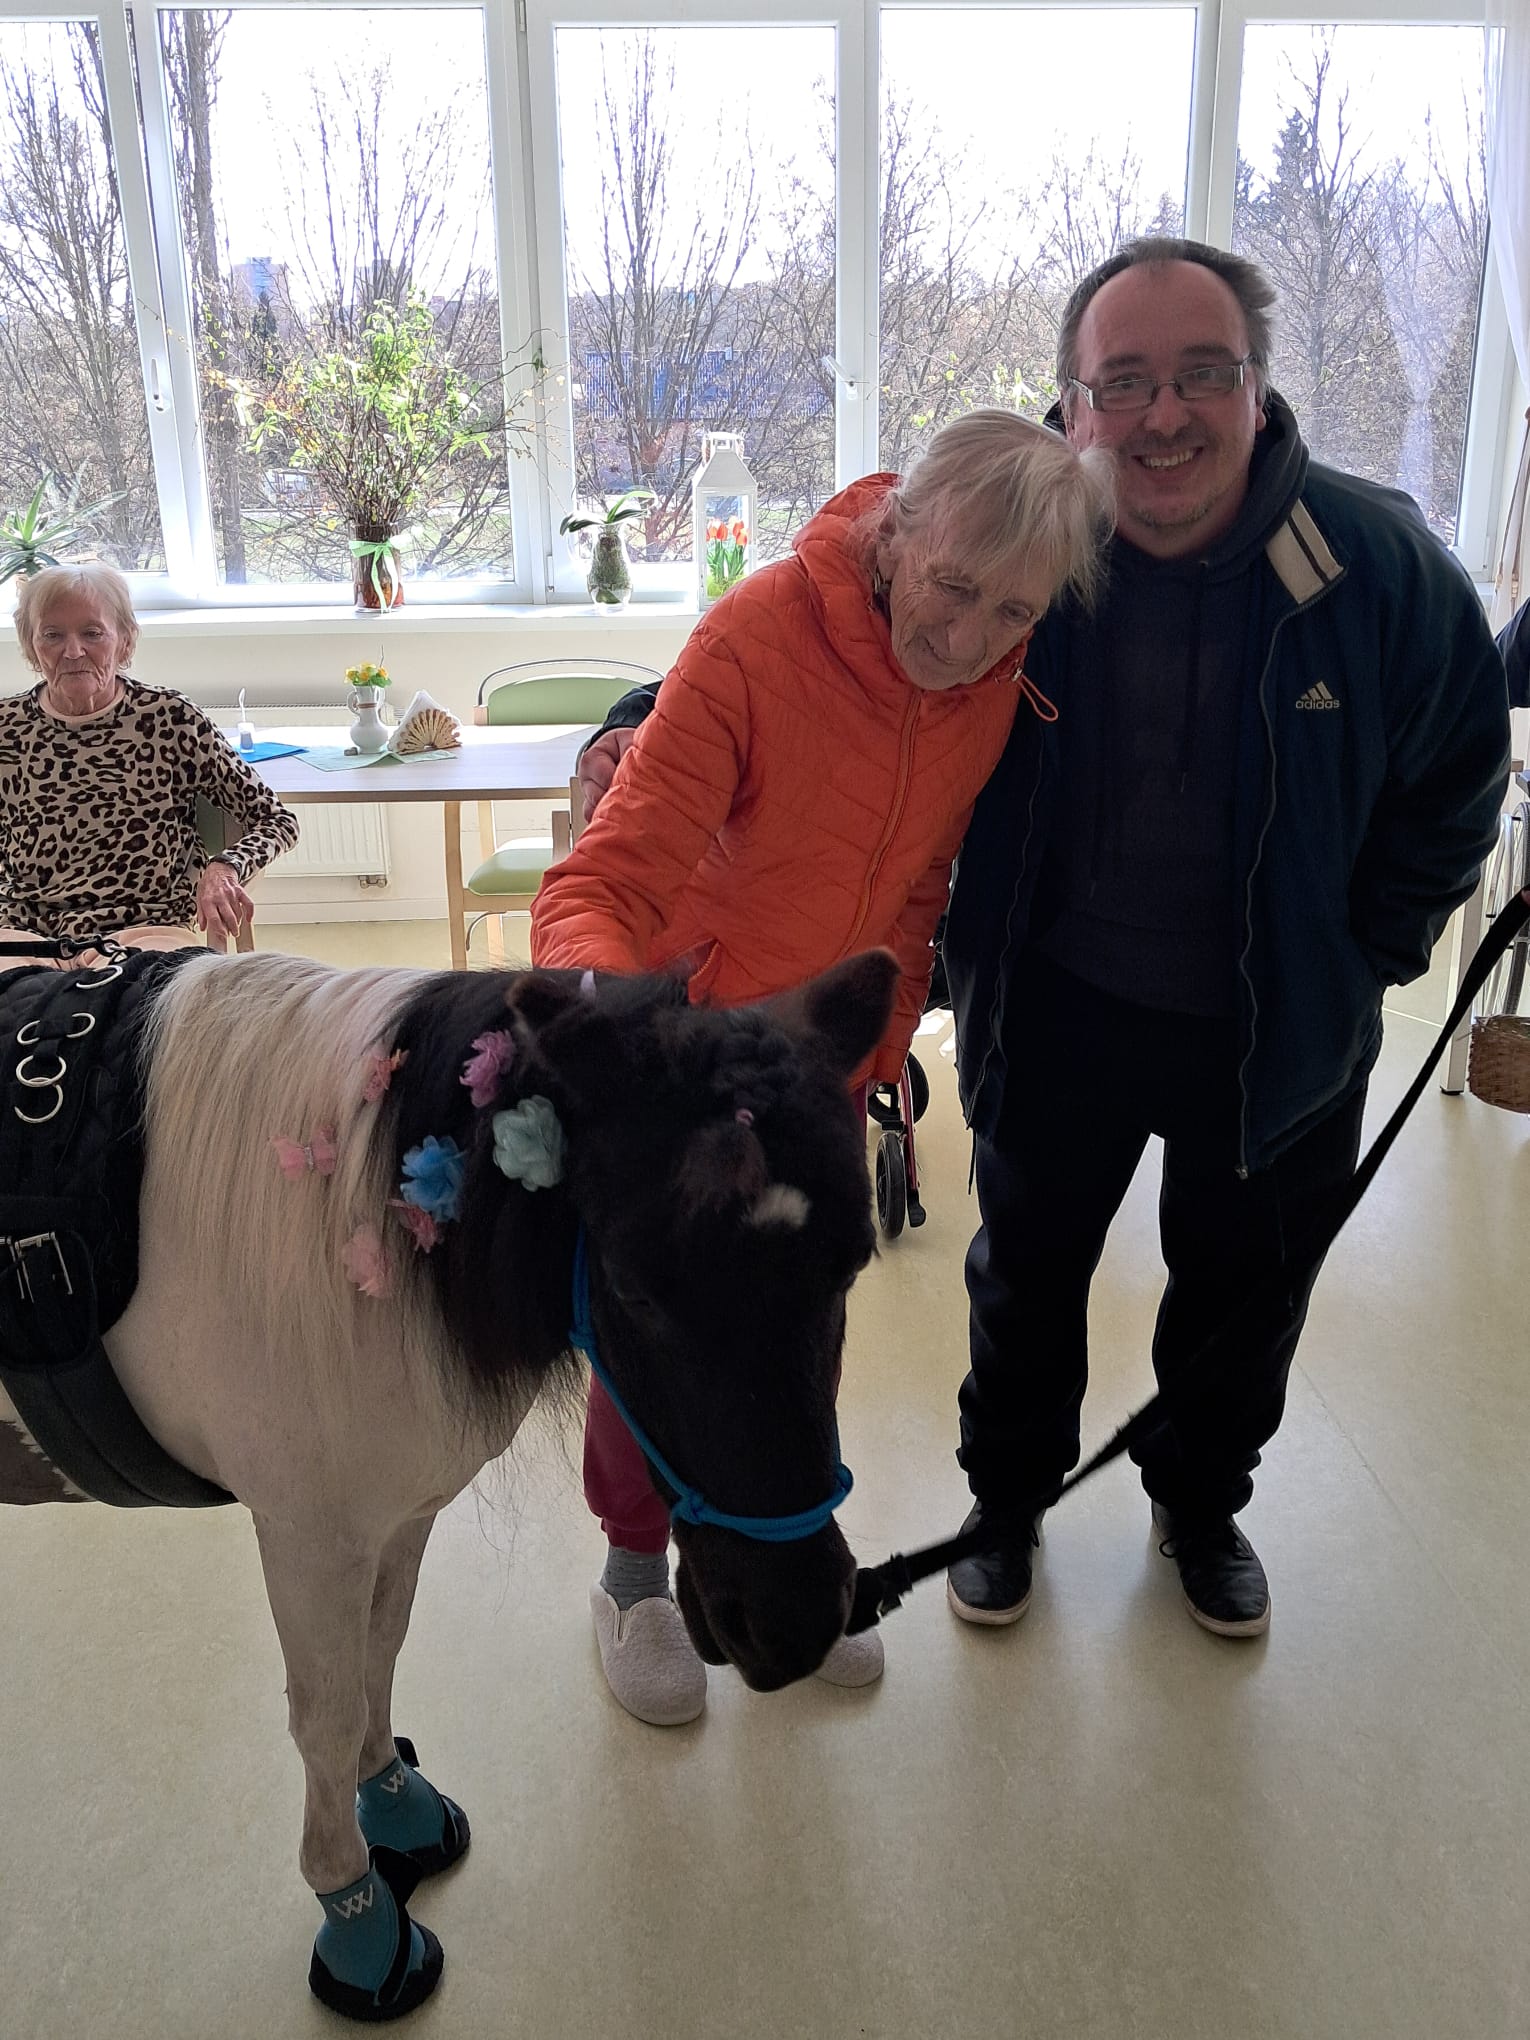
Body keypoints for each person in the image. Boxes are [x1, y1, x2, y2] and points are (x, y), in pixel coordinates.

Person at [940, 238, 1511, 1640]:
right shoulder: (1014, 539)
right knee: (1025, 1279)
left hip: (1276, 1027)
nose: (1163, 415)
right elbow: (826, 629)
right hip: (1056, 1004)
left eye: (1203, 374)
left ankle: (1199, 1505)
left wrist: (1365, 950)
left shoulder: (1379, 568)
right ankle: (1004, 1500)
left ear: (1258, 389)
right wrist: (639, 726)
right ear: (1071, 405)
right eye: (1123, 381)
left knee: (1243, 1296)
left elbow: (1458, 776)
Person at [531, 409, 1115, 1725]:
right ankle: (633, 1575)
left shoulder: (991, 687)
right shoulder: (756, 637)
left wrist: (876, 1048)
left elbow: (915, 894)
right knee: (663, 1330)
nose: (964, 637)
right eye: (953, 586)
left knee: (799, 1332)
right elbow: (602, 881)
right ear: (895, 534)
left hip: (811, 1072)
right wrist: (619, 1043)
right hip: (680, 1053)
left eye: (1012, 612)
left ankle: (786, 1547)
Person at [1, 563, 297, 958]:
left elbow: (276, 819)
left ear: (125, 641)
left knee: (155, 997)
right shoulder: (7, 727)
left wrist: (224, 868)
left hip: (147, 929)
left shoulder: (169, 718)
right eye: (52, 635)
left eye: (92, 633)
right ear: (30, 646)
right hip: (25, 932)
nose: (73, 651)